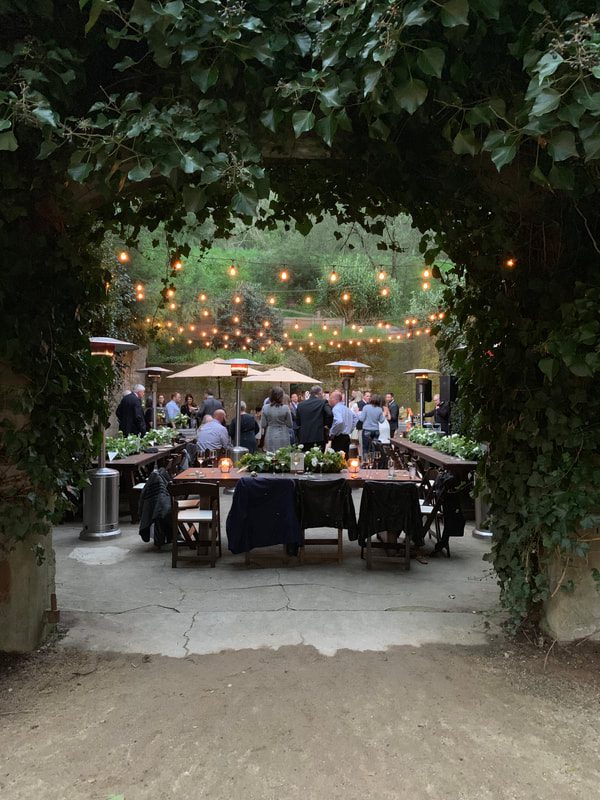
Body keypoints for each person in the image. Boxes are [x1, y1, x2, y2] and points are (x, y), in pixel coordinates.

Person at [296, 385, 333, 452]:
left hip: (304, 436)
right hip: (319, 436)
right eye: (322, 394)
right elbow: (330, 414)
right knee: (318, 459)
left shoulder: (300, 405)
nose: (322, 395)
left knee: (305, 459)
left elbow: (298, 422)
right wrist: (327, 425)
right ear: (319, 394)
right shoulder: (323, 402)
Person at [260, 386, 293, 452]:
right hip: (283, 434)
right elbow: (290, 424)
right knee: (283, 455)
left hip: (270, 434)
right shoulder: (286, 408)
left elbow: (263, 424)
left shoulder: (265, 408)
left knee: (271, 456)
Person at [328, 390, 356, 457]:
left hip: (338, 437)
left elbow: (339, 421)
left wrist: (332, 432)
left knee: (337, 458)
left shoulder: (336, 409)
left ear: (335, 399)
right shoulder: (347, 409)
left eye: (331, 398)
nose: (329, 400)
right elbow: (355, 418)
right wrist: (350, 429)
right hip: (346, 436)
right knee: (345, 458)